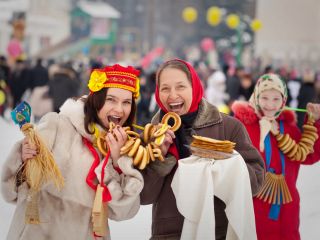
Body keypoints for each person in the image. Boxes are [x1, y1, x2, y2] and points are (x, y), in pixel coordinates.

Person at [1, 64, 144, 240]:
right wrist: (23, 159)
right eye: (111, 99)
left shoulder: (125, 148)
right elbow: (12, 191)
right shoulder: (57, 126)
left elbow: (123, 213)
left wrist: (116, 161)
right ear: (96, 98)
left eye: (126, 102)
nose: (120, 109)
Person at [140, 58, 265, 240]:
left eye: (181, 86)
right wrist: (160, 157)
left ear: (195, 87)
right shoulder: (151, 134)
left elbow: (256, 182)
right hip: (169, 234)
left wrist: (222, 168)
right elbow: (144, 196)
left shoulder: (229, 128)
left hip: (217, 232)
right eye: (165, 88)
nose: (172, 95)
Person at [231, 73, 320, 240]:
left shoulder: (289, 128)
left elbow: (309, 155)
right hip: (252, 208)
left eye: (276, 99)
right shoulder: (242, 127)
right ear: (256, 96)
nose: (270, 105)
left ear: (284, 101)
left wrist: (314, 122)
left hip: (286, 209)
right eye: (265, 98)